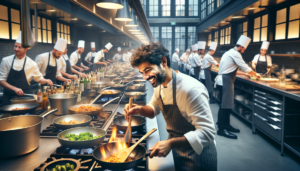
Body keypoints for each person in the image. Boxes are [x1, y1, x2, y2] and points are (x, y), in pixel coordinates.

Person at [124, 42, 217, 171]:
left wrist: (171, 143)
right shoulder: (160, 83)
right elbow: (153, 109)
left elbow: (208, 133)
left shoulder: (190, 90)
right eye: (142, 73)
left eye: (148, 70)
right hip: (177, 150)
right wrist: (139, 110)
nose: (145, 77)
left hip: (199, 155)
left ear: (163, 62)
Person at [215, 35, 259, 139]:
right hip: (225, 80)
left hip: (225, 79)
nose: (243, 51)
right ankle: (221, 129)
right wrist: (255, 74)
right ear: (240, 47)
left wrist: (245, 74)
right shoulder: (235, 53)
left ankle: (226, 125)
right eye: (244, 49)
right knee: (225, 106)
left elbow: (231, 69)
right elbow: (244, 66)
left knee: (228, 105)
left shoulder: (230, 52)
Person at [0, 31, 52, 106]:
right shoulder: (6, 60)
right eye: (15, 46)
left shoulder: (32, 63)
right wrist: (15, 88)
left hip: (25, 97)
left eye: (19, 47)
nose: (16, 49)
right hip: (8, 98)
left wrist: (46, 80)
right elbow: (1, 80)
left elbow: (39, 79)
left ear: (26, 49)